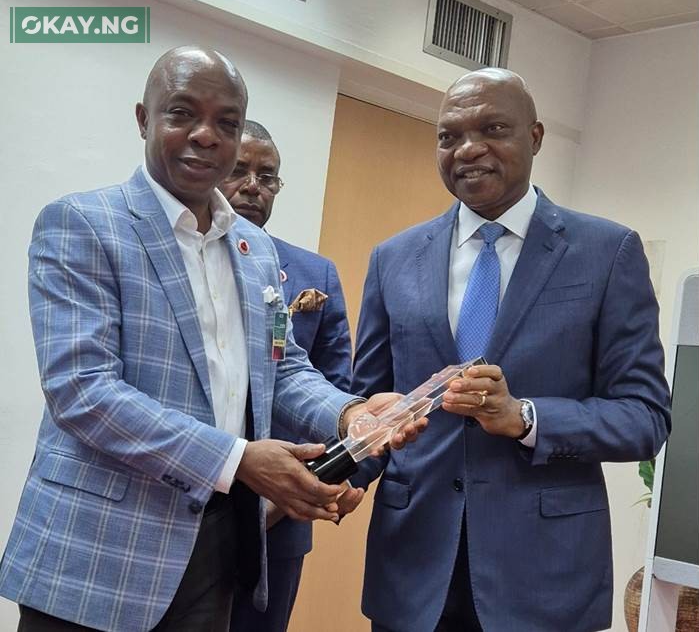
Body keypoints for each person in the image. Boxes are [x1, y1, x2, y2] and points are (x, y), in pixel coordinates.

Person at [0, 46, 423, 632]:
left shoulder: (253, 249)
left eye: (226, 122)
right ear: (144, 119)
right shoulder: (83, 223)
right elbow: (83, 391)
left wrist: (350, 415)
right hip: (97, 554)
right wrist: (241, 460)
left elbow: (285, 368)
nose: (205, 136)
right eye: (182, 114)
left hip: (217, 550)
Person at [349, 68, 671, 632]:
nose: (469, 149)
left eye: (493, 128)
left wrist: (523, 417)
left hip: (544, 576)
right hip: (415, 569)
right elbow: (369, 402)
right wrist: (328, 477)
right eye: (449, 137)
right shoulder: (393, 258)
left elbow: (645, 417)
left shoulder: (607, 252)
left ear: (536, 137)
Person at [219, 120, 356, 631]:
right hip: (185, 497)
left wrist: (297, 486)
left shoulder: (312, 272)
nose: (252, 186)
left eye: (267, 176)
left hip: (282, 512)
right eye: (239, 171)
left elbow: (331, 384)